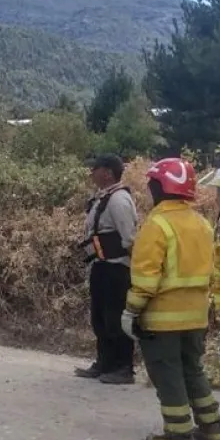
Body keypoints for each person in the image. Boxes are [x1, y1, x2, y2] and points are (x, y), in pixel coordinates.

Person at [122, 158, 220, 440]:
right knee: (193, 370)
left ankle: (178, 435)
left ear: (159, 187)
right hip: (196, 317)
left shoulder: (157, 224)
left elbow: (146, 276)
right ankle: (212, 428)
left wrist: (131, 310)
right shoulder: (202, 223)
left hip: (163, 318)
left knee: (167, 375)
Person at [74, 154, 138, 384]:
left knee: (115, 319)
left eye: (95, 168)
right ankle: (104, 363)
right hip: (100, 266)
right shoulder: (103, 198)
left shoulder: (119, 200)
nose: (91, 172)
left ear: (108, 172)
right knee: (100, 318)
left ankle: (123, 367)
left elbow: (130, 238)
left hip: (116, 269)